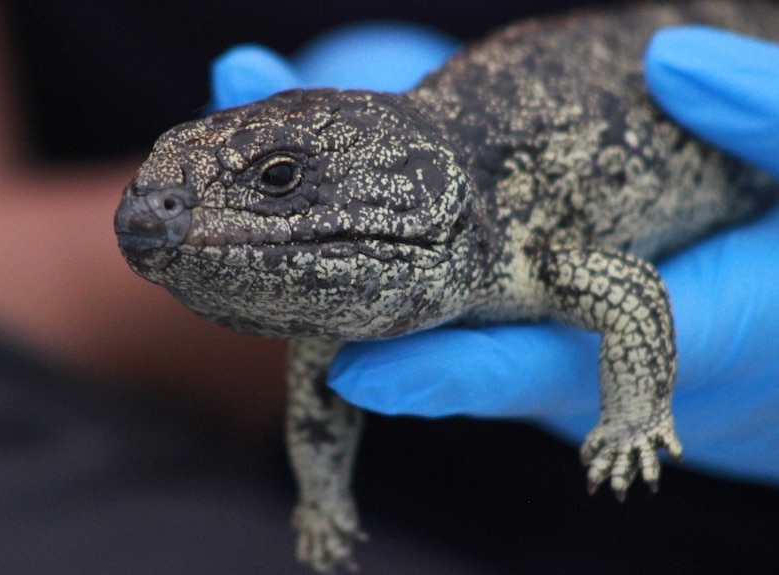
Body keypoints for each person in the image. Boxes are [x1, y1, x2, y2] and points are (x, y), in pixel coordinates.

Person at [211, 25, 779, 485]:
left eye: (282, 179)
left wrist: (636, 418)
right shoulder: (348, 299)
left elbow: (631, 295)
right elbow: (315, 408)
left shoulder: (523, 250)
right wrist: (321, 502)